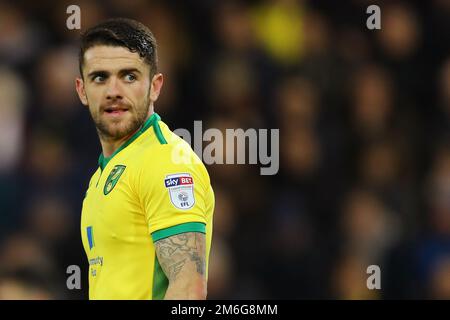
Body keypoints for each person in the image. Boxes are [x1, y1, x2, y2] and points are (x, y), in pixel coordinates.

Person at [75, 18, 215, 300]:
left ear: (155, 86)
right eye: (100, 77)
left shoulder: (166, 163)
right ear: (82, 90)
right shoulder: (103, 174)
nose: (114, 91)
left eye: (129, 76)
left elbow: (189, 290)